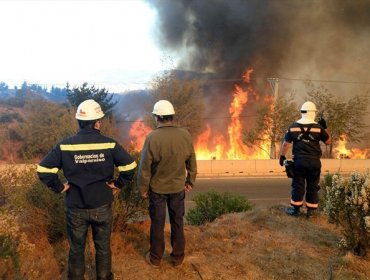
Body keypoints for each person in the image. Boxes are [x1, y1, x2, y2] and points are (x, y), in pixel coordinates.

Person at [37, 99, 137, 280]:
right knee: (103, 247)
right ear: (97, 122)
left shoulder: (65, 145)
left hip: (75, 206)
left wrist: (60, 187)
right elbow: (130, 166)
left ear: (79, 121)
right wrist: (118, 184)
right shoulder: (109, 144)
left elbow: (43, 170)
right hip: (102, 205)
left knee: (76, 248)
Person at [137, 100, 197, 268]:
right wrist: (190, 180)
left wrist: (143, 188)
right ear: (171, 116)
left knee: (157, 223)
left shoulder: (152, 137)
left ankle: (155, 258)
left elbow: (145, 166)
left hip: (157, 189)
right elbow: (191, 159)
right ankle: (177, 257)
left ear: (158, 117)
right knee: (178, 221)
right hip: (178, 188)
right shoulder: (185, 134)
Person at [279, 101, 331, 218]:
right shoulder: (318, 128)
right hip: (314, 162)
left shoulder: (293, 127)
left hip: (299, 162)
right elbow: (328, 141)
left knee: (298, 185)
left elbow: (286, 143)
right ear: (313, 113)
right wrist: (324, 127)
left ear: (302, 112)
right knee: (313, 186)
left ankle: (296, 210)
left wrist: (282, 156)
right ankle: (311, 212)